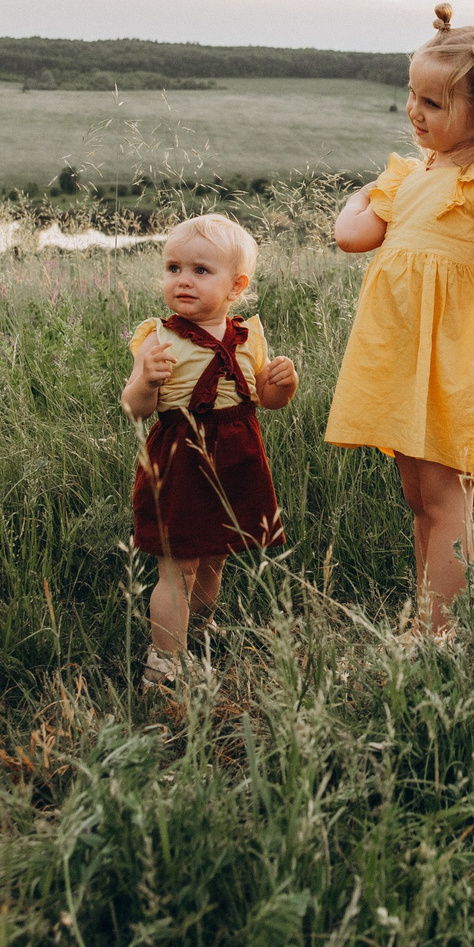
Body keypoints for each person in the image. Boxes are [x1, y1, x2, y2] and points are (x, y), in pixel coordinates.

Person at [324, 6, 474, 635]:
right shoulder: (412, 174)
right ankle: (424, 620)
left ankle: (440, 634)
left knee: (446, 498)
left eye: (433, 104)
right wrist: (358, 197)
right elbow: (353, 236)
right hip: (399, 352)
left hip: (447, 356)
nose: (415, 112)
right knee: (418, 498)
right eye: (411, 97)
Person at [121, 214, 300, 690]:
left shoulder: (248, 336)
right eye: (174, 267)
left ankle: (198, 631)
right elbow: (135, 409)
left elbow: (265, 399)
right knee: (178, 564)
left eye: (201, 271)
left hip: (238, 454)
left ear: (235, 286)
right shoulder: (157, 338)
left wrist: (282, 385)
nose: (183, 279)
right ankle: (164, 663)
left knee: (215, 556)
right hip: (180, 455)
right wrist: (146, 380)